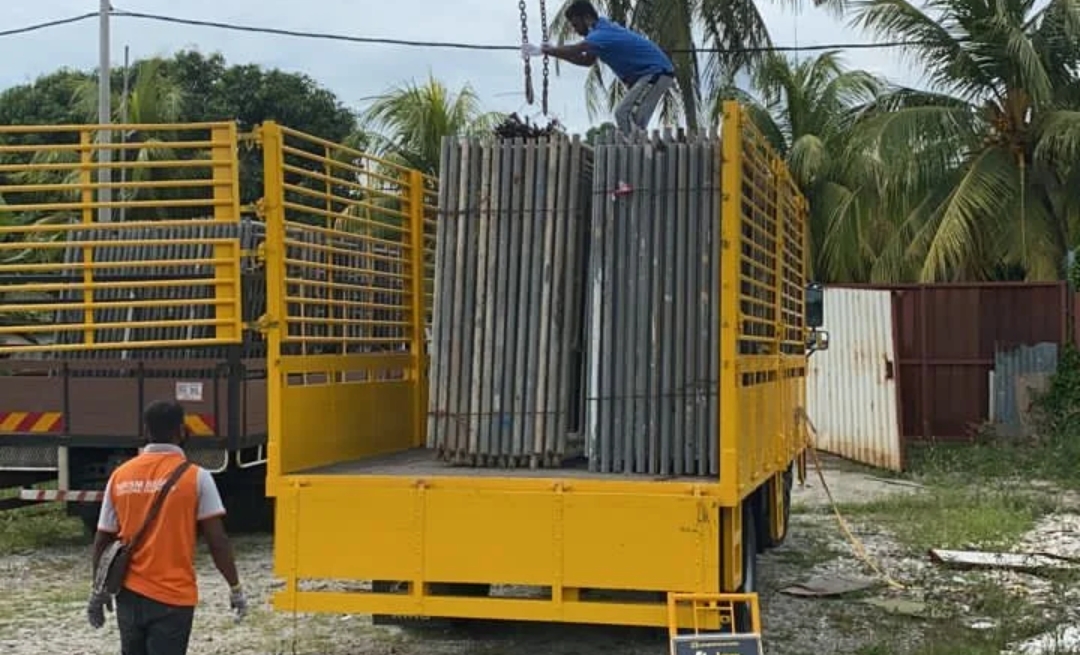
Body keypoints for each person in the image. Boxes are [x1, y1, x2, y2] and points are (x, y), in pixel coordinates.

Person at [86, 400, 248, 655]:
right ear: (181, 431)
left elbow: (102, 539)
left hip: (128, 594)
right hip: (173, 596)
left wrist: (97, 591)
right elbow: (217, 541)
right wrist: (235, 587)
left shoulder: (120, 475)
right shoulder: (197, 477)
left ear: (147, 431)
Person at [523, 0, 675, 136]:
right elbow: (586, 60)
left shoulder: (601, 34)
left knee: (623, 114)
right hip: (654, 75)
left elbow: (577, 49)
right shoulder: (602, 28)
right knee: (634, 122)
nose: (576, 30)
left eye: (576, 24)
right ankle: (647, 152)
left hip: (655, 73)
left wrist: (545, 50)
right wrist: (552, 52)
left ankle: (641, 154)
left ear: (587, 17)